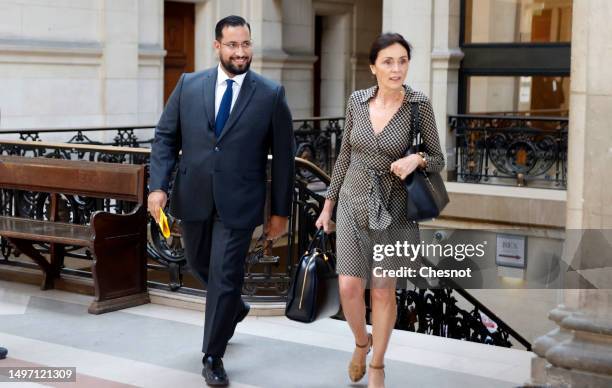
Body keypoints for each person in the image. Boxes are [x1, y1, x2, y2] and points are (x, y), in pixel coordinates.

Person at [148, 15, 295, 387]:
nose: (241, 52)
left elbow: (285, 159)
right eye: (233, 45)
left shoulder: (270, 94)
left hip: (241, 202)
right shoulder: (188, 85)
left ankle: (213, 355)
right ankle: (236, 306)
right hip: (193, 195)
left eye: (246, 44)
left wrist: (279, 213)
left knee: (225, 274)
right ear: (217, 46)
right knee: (199, 263)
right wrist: (158, 186)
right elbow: (165, 137)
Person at [315, 32, 445, 388]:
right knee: (349, 288)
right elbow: (344, 155)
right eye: (388, 61)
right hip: (353, 201)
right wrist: (328, 206)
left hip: (395, 206)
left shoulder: (418, 104)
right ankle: (361, 343)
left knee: (384, 289)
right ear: (373, 67)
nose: (396, 68)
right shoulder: (357, 100)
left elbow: (438, 158)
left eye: (402, 61)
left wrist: (415, 158)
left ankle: (378, 365)